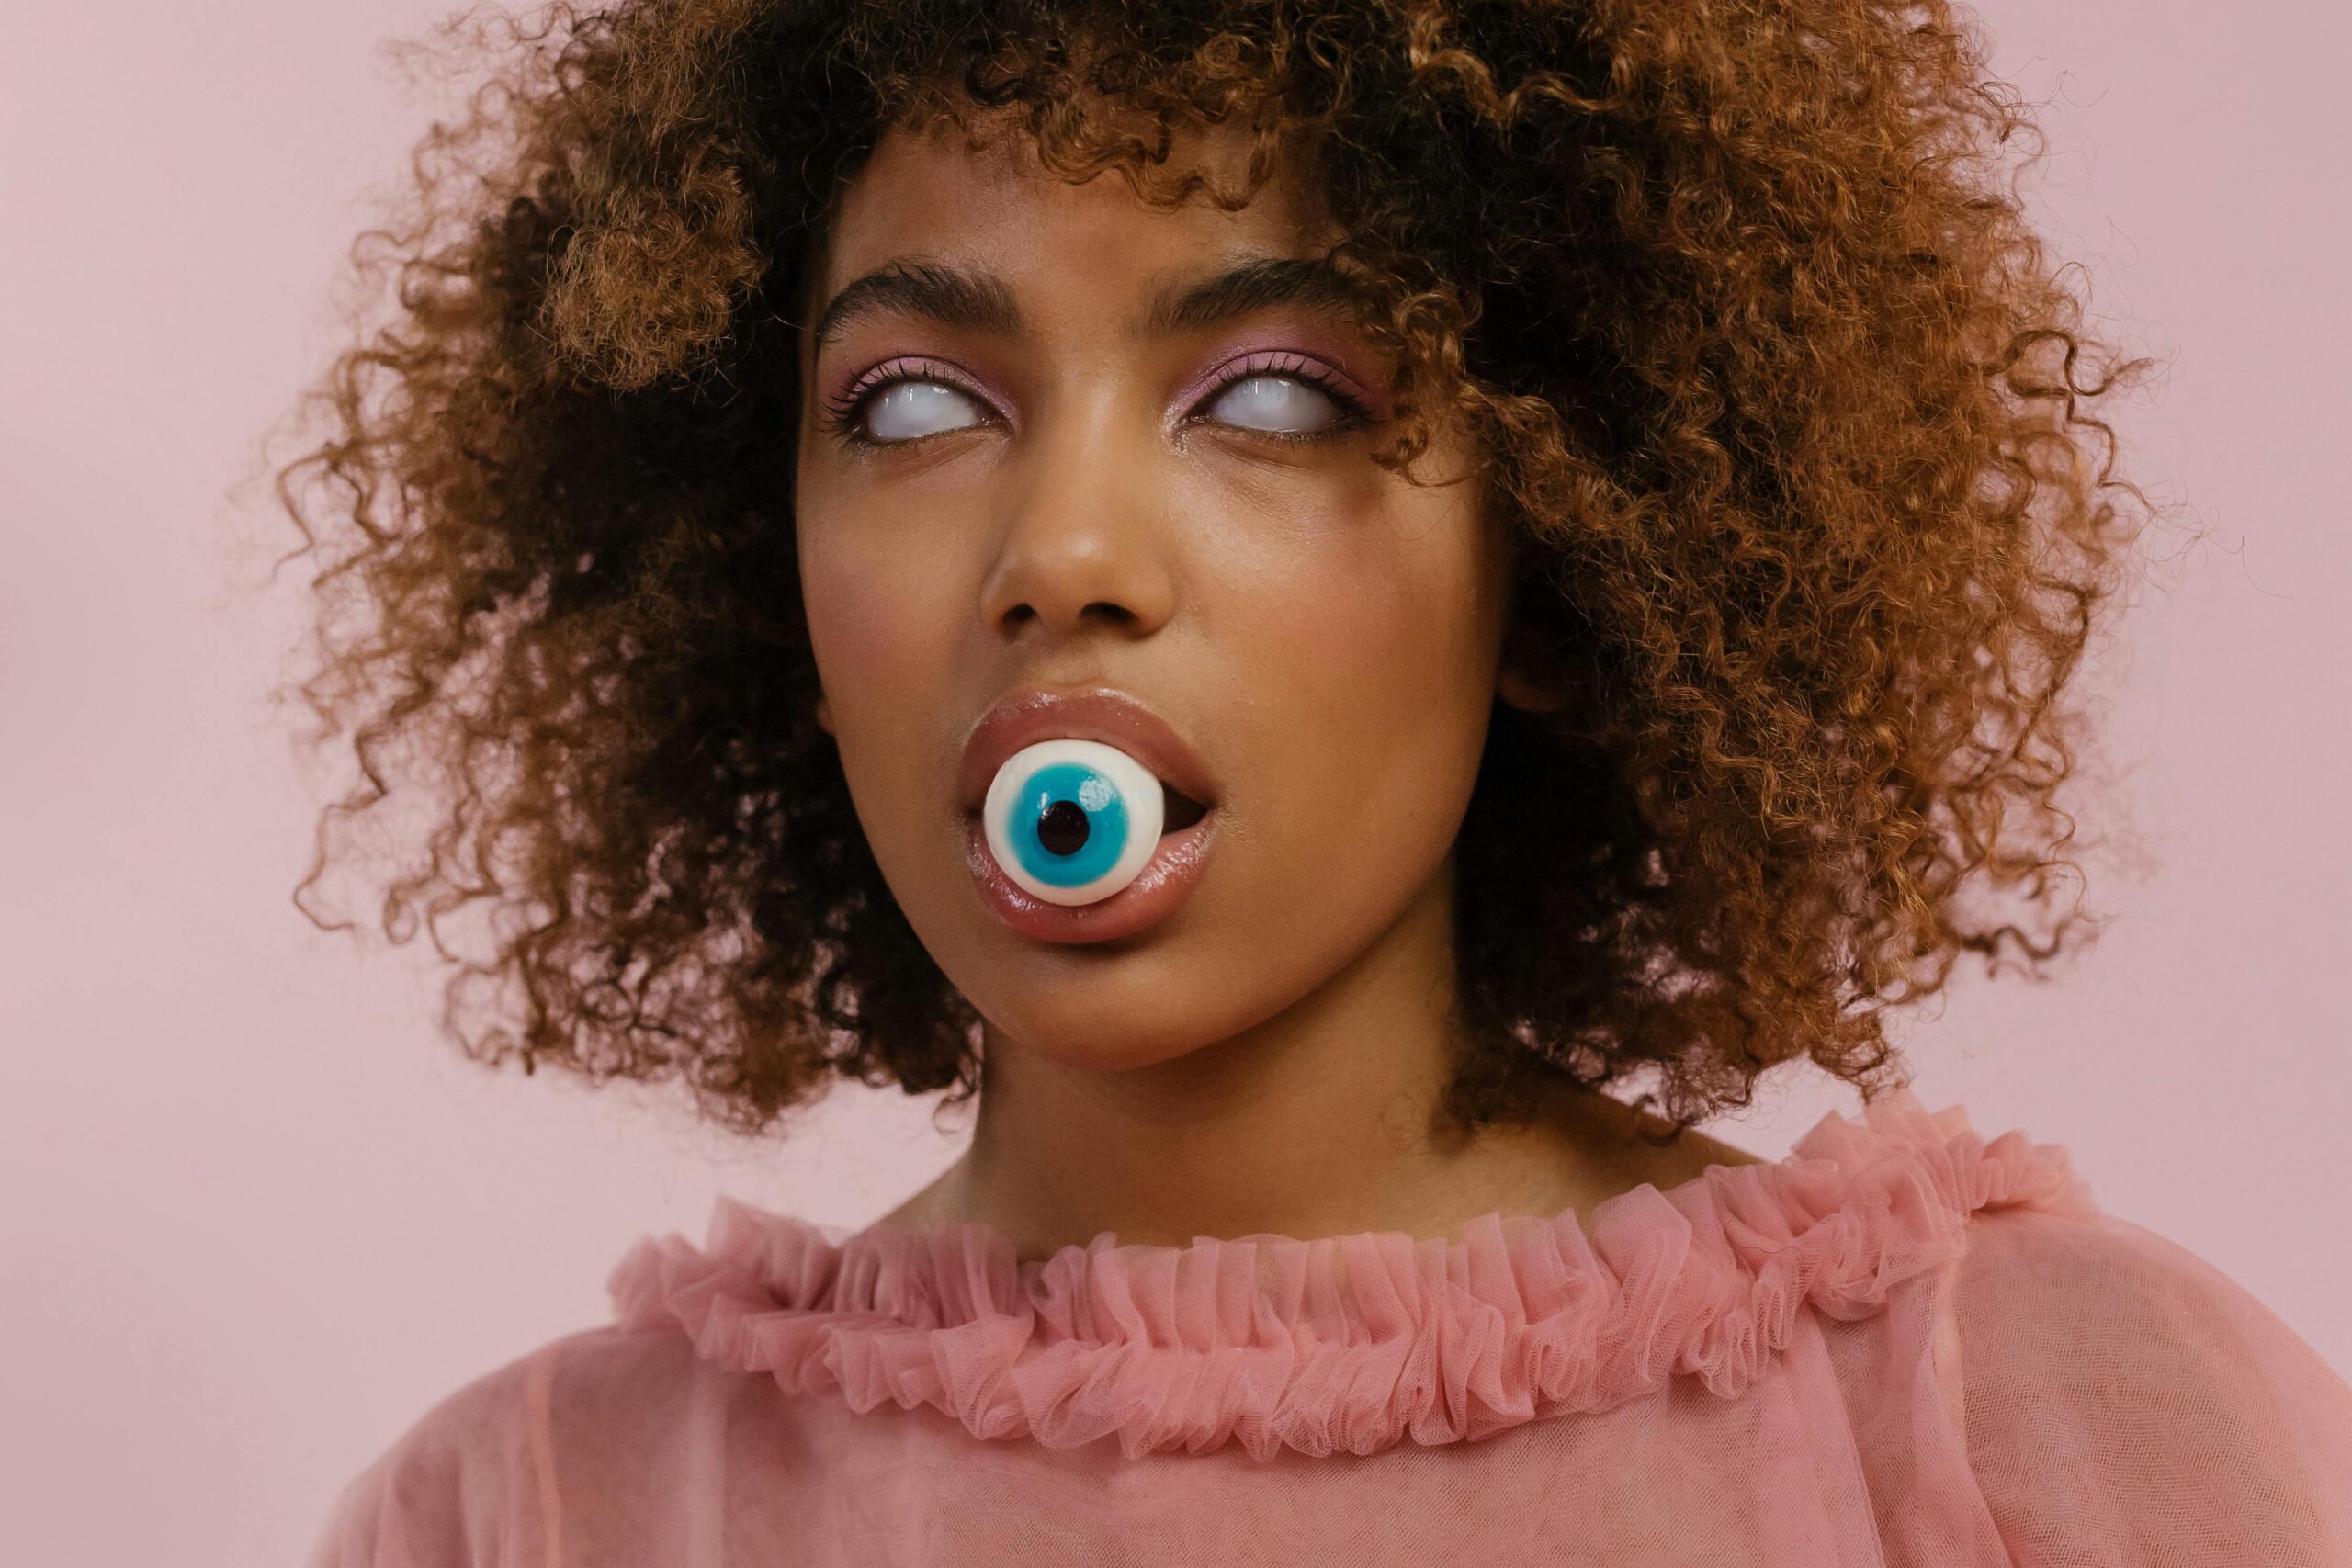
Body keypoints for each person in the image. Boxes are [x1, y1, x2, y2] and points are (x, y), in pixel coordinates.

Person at [283, 1, 2352, 1562]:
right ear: (770, 587)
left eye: (1271, 393)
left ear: (1556, 547)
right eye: (912, 401)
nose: (1063, 555)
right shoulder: (522, 1521)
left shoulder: (2032, 1434)